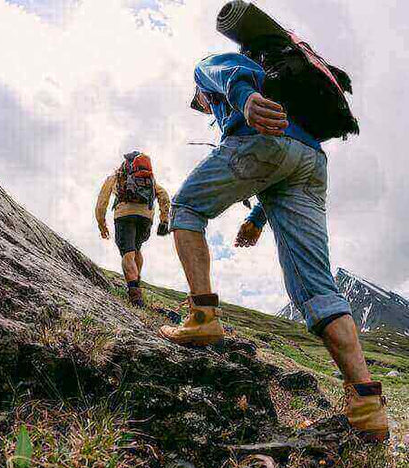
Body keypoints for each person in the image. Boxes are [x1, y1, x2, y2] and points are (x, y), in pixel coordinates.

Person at [158, 49, 388, 440]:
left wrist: (246, 102)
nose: (202, 109)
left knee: (186, 209)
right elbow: (282, 165)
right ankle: (367, 405)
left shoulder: (205, 71)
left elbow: (232, 72)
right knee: (317, 287)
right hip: (311, 161)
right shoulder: (293, 98)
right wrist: (255, 219)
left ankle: (202, 318)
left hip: (263, 138)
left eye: (199, 106)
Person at [96, 151, 170, 307]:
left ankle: (135, 297)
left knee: (128, 254)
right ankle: (137, 281)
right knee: (136, 249)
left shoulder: (116, 177)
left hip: (124, 216)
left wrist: (101, 224)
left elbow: (102, 200)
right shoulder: (149, 180)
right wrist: (164, 219)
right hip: (146, 218)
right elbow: (163, 195)